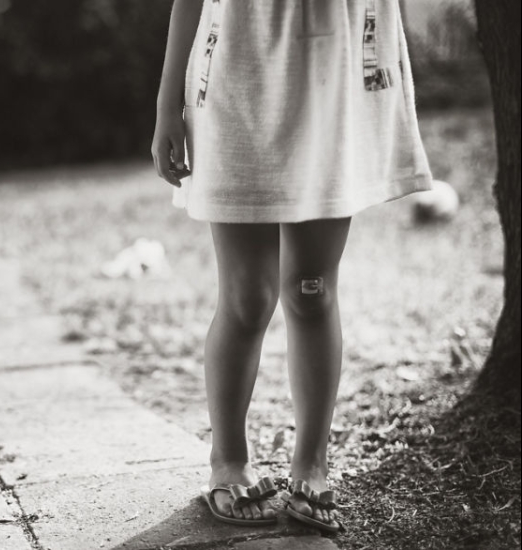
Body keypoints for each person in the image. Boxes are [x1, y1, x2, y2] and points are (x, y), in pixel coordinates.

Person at [152, 0, 431, 532]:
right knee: (247, 296)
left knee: (312, 289)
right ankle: (227, 461)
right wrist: (169, 105)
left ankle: (313, 465)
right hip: (239, 62)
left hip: (336, 73)